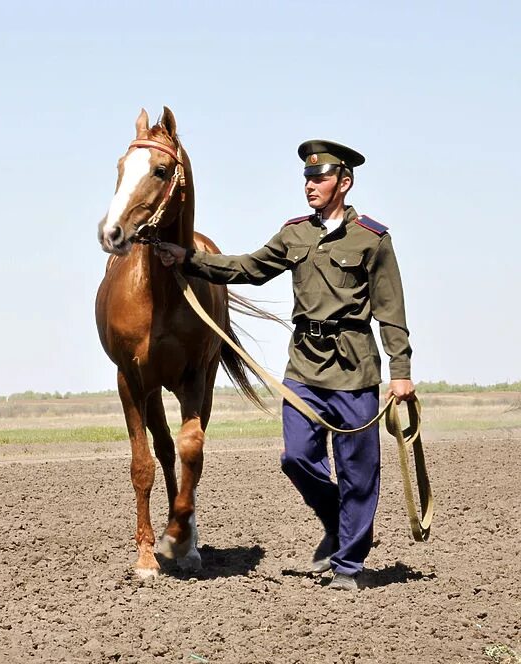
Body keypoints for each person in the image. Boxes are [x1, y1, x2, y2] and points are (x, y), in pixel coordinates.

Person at [155, 139, 415, 591]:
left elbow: (391, 311)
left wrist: (401, 371)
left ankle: (348, 566)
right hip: (304, 368)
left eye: (319, 178)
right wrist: (190, 260)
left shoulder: (373, 239)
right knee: (297, 457)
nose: (310, 185)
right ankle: (344, 523)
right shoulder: (295, 233)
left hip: (355, 368)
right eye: (307, 179)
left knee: (358, 471)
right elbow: (249, 267)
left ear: (344, 182)